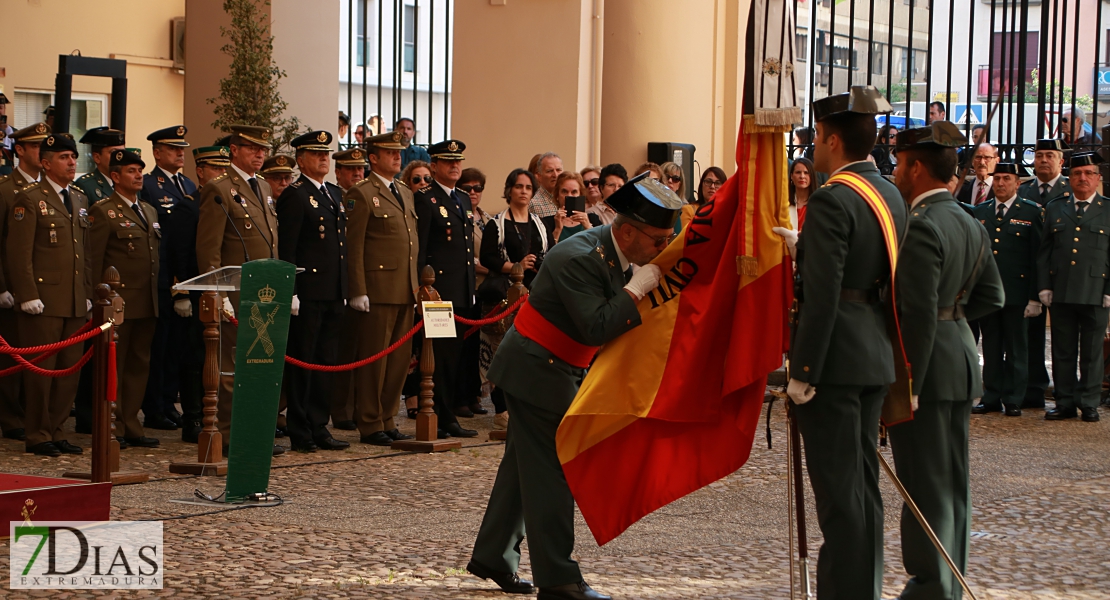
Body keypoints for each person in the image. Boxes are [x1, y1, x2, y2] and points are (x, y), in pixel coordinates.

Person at [467, 171, 678, 600]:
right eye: (658, 239)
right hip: (536, 372)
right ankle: (559, 580)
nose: (664, 248)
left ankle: (494, 556)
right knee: (551, 476)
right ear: (629, 230)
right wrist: (636, 290)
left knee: (522, 472)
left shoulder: (614, 251)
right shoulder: (579, 256)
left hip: (555, 369)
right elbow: (595, 326)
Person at [783, 86, 907, 600]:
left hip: (834, 362)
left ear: (831, 140)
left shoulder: (835, 197)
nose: (811, 147)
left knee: (839, 495)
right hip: (872, 353)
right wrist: (803, 248)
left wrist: (802, 372)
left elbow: (825, 296)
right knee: (861, 489)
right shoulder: (888, 192)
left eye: (815, 137)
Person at [889, 121, 1004, 600]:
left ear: (916, 168)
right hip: (957, 357)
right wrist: (953, 319)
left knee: (924, 483)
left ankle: (932, 587)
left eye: (898, 163)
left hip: (927, 370)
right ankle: (948, 582)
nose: (894, 171)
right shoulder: (969, 222)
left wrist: (907, 379)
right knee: (952, 481)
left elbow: (914, 313)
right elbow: (993, 296)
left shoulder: (921, 226)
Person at [195, 124, 283, 456]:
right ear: (234, 151)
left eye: (263, 149)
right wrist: (216, 292)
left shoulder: (262, 185)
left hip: (265, 291)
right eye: (252, 149)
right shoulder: (219, 188)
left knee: (261, 366)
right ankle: (231, 435)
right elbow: (209, 247)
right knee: (232, 368)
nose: (260, 155)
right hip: (235, 292)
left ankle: (256, 430)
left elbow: (271, 241)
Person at [6, 133, 92, 457]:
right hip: (42, 299)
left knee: (69, 371)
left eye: (73, 156)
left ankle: (57, 430)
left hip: (72, 299)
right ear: (45, 163)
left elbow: (85, 252)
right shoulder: (29, 198)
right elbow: (18, 253)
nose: (71, 162)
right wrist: (26, 293)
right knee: (41, 372)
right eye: (63, 157)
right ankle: (38, 433)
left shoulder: (80, 198)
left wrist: (86, 291)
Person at [338, 130, 421, 445]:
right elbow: (354, 245)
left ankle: (387, 417)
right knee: (375, 359)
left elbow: (410, 243)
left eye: (398, 152)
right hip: (377, 289)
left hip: (404, 288)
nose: (397, 157)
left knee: (399, 362)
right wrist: (358, 289)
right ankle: (370, 422)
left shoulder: (404, 191)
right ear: (373, 158)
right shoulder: (361, 193)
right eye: (389, 153)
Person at [273, 130, 351, 453]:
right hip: (307, 292)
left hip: (332, 290)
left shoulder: (333, 193)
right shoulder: (296, 194)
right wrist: (290, 290)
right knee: (304, 361)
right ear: (301, 159)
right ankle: (300, 428)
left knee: (326, 361)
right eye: (317, 154)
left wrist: (344, 287)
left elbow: (340, 247)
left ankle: (320, 424)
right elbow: (288, 248)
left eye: (326, 154)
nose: (324, 159)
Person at [87, 149, 161, 448]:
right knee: (113, 365)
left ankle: (131, 423)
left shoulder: (149, 211)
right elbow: (93, 260)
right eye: (131, 171)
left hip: (146, 300)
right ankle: (111, 425)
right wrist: (97, 300)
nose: (139, 175)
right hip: (117, 304)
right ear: (115, 177)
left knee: (138, 364)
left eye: (140, 170)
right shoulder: (103, 211)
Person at [477, 169, 554, 431]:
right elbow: (487, 257)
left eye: (528, 187)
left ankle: (523, 406)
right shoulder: (496, 223)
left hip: (533, 296)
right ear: (509, 190)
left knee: (529, 354)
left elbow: (549, 254)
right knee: (502, 353)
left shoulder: (539, 224)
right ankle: (501, 409)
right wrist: (515, 266)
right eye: (519, 186)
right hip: (503, 297)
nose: (523, 191)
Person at [1037, 151, 1110, 423]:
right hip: (1062, 288)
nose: (1083, 178)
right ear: (1069, 178)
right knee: (1062, 350)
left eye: (1089, 173)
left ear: (1098, 178)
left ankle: (1089, 403)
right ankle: (1065, 402)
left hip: (1095, 291)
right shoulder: (1056, 207)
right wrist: (1044, 286)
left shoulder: (1108, 209)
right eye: (1077, 173)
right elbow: (1044, 251)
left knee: (1092, 353)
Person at [414, 140, 478, 438]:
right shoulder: (425, 199)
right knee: (437, 357)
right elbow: (422, 248)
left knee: (454, 356)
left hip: (461, 289)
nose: (455, 166)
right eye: (447, 162)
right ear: (435, 166)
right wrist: (421, 289)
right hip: (438, 290)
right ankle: (437, 414)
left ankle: (448, 411)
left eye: (458, 162)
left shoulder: (463, 199)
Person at [168, 144, 231, 443]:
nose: (222, 173)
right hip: (195, 293)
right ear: (201, 172)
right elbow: (180, 253)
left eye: (224, 168)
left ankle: (215, 414)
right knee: (195, 358)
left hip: (222, 290)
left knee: (217, 357)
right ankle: (193, 417)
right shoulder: (189, 205)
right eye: (216, 168)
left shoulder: (225, 200)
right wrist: (180, 291)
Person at [971, 163, 1044, 417]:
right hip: (989, 293)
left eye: (1006, 179)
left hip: (1017, 292)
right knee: (991, 346)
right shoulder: (981, 211)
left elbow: (1038, 256)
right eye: (998, 178)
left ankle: (1014, 397)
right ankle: (991, 395)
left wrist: (1035, 296)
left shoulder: (1032, 212)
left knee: (1016, 347)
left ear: (1018, 183)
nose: (1001, 183)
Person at [139, 125, 197, 433]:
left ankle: (167, 403)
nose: (180, 153)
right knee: (158, 347)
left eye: (182, 148)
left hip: (181, 276)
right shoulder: (149, 185)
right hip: (160, 275)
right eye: (173, 149)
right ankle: (154, 407)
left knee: (177, 347)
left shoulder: (188, 184)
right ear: (157, 152)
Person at [0, 123, 50, 442]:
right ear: (19, 150)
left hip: (45, 287)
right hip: (11, 287)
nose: (42, 154)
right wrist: (2, 286)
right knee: (13, 355)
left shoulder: (51, 190)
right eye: (36, 148)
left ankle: (35, 416)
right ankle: (9, 416)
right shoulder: (5, 189)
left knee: (38, 357)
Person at [1018, 138, 1071, 409]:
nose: (1043, 160)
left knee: (1063, 338)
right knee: (1030, 333)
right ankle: (1032, 389)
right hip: (1029, 273)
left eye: (1050, 155)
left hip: (1061, 274)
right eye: (1039, 155)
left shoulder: (1069, 189)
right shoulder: (1024, 190)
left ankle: (1066, 393)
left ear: (1061, 161)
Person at [74, 127, 126, 202]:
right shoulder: (86, 185)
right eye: (113, 152)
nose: (120, 158)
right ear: (97, 157)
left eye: (122, 153)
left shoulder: (128, 182)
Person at [547, 171, 600, 243]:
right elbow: (547, 251)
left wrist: (588, 227)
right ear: (557, 196)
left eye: (574, 192)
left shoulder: (593, 219)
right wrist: (558, 229)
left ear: (580, 195)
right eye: (564, 191)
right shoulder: (547, 222)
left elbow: (601, 247)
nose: (569, 196)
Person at [529, 152, 563, 218]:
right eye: (550, 171)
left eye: (558, 170)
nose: (555, 175)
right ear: (539, 176)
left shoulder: (567, 198)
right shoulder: (533, 204)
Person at [788, 157, 815, 230]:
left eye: (806, 173)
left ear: (811, 176)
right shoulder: (784, 203)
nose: (802, 176)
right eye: (798, 172)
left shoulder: (819, 203)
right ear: (791, 176)